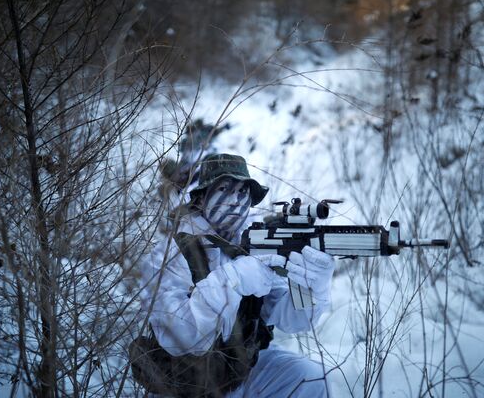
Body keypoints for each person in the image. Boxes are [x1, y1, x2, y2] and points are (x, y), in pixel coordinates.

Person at [131, 153, 336, 397]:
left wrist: (311, 286)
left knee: (310, 378)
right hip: (185, 385)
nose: (234, 200)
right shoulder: (170, 252)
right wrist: (233, 280)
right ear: (201, 198)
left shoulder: (251, 246)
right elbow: (181, 338)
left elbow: (292, 319)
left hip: (238, 373)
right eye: (225, 189)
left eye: (242, 192)